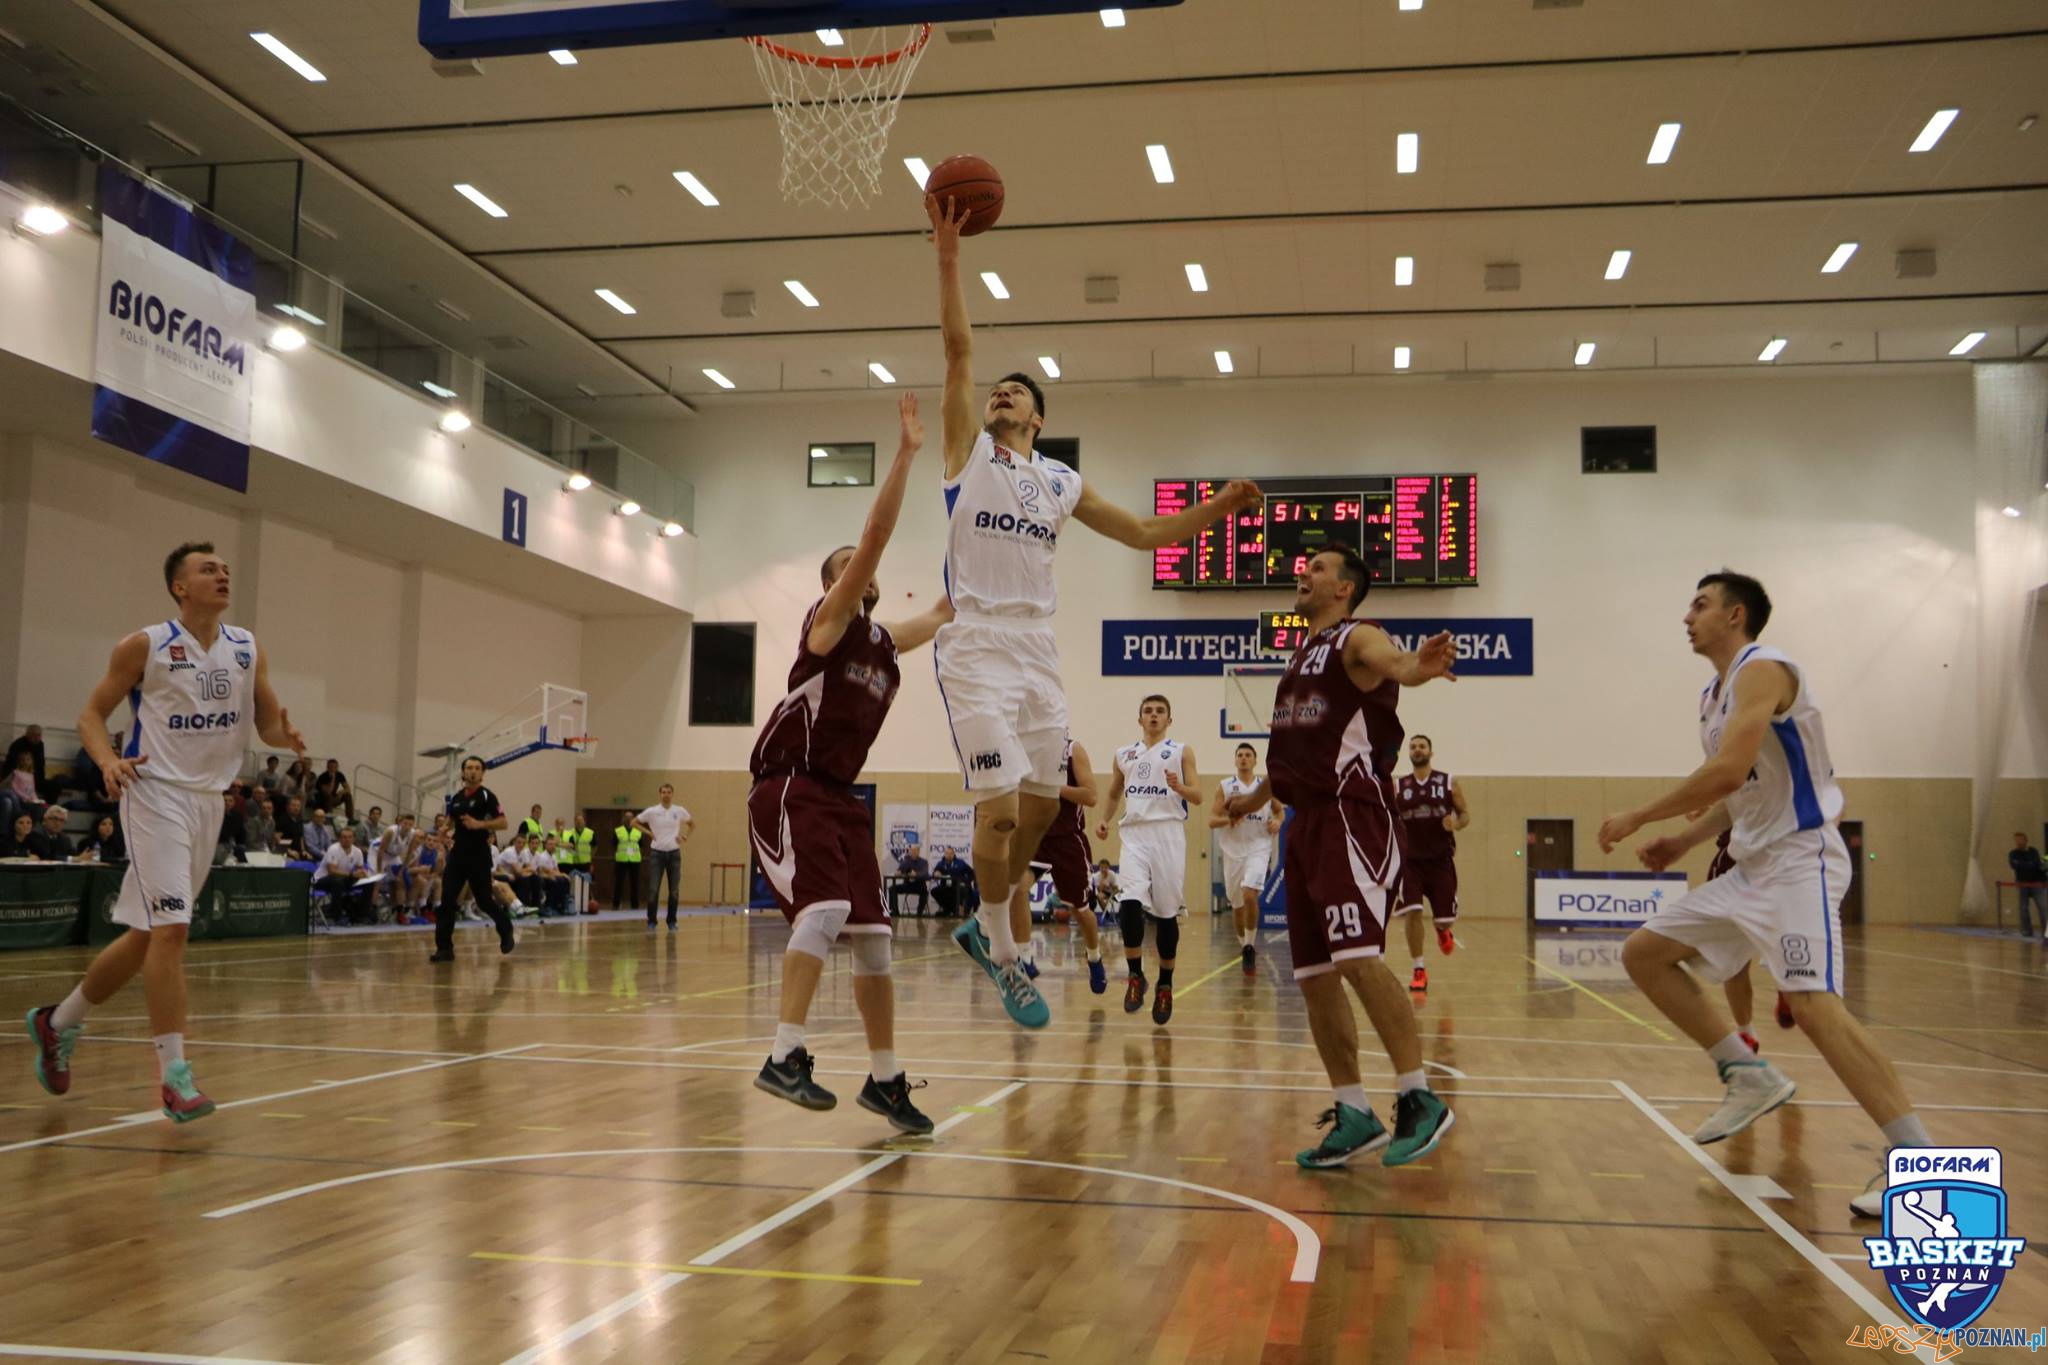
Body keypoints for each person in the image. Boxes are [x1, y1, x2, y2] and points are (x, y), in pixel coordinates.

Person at [926, 193, 1259, 1031]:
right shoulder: (967, 456)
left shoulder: (1062, 482)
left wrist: (1216, 509)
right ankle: (1006, 953)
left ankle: (982, 920)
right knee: (998, 808)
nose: (999, 396)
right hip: (977, 644)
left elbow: (1147, 533)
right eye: (995, 391)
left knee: (1041, 808)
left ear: (1038, 418)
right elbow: (958, 348)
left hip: (1037, 650)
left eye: (1014, 394)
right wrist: (947, 255)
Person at [1597, 570, 1933, 1219]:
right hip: (1754, 867)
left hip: (1801, 858)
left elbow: (1725, 769)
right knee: (1645, 953)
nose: (1687, 616)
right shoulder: (1712, 696)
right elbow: (1738, 791)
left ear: (1735, 614)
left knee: (1813, 1006)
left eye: (1699, 604)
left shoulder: (1765, 668)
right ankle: (1747, 1072)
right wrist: (1685, 841)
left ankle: (1919, 1166)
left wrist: (1643, 816)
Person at [25, 540, 305, 1122]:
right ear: (180, 587)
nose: (223, 575)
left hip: (208, 803)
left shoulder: (247, 647)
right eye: (209, 569)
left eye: (226, 568)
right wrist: (106, 760)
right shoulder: (146, 645)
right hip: (153, 794)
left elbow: (268, 723)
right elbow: (90, 715)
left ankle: (56, 1024)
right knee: (174, 930)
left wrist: (287, 739)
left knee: (146, 940)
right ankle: (175, 1077)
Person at [748, 392, 950, 1134]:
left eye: (855, 569)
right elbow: (876, 532)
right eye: (840, 567)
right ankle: (784, 1053)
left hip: (840, 798)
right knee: (827, 911)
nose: (853, 570)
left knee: (875, 938)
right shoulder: (826, 628)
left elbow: (942, 612)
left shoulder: (884, 645)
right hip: (788, 787)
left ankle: (886, 1080)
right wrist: (905, 455)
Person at [1225, 546, 1458, 1169]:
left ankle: (1419, 1096)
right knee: (1314, 978)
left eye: (1318, 568)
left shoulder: (1359, 637)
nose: (1304, 572)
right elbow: (1292, 754)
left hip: (1351, 815)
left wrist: (1417, 667)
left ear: (1345, 589)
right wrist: (1250, 798)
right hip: (1304, 824)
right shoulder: (1299, 658)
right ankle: (1353, 1112)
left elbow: (1395, 664)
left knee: (1357, 958)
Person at [1097, 695, 1200, 1024]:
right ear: (1139, 719)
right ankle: (1135, 975)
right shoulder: (1124, 754)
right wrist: (1104, 819)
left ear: (1169, 719)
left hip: (1168, 834)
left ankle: (1165, 985)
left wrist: (1180, 788)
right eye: (1148, 711)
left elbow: (1197, 795)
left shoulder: (1182, 750)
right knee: (1129, 903)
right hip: (1135, 835)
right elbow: (1114, 792)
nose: (1153, 716)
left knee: (1167, 914)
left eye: (1160, 712)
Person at [1017, 737, 1106, 993]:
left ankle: (1094, 957)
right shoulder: (1022, 748)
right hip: (1035, 836)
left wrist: (1054, 788)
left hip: (1068, 841)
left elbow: (1090, 796)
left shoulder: (1072, 749)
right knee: (1018, 888)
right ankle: (1025, 958)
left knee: (1080, 910)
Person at [1393, 735, 1468, 991]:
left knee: (1444, 919)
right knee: (1412, 913)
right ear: (1409, 753)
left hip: (1440, 861)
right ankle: (1419, 969)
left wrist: (1455, 823)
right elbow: (1388, 818)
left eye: (1422, 746)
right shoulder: (1398, 785)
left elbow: (1465, 814)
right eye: (1413, 747)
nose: (1417, 750)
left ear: (1431, 753)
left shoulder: (1448, 783)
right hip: (1410, 863)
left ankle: (1443, 930)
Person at [432, 755, 517, 962]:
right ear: (463, 772)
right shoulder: (457, 797)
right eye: (469, 768)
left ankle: (506, 930)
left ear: (482, 773)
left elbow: (503, 823)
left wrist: (479, 825)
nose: (473, 771)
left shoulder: (488, 797)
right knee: (447, 901)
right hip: (458, 855)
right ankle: (445, 948)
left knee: (485, 901)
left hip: (479, 856)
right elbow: (452, 819)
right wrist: (444, 830)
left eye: (477, 768)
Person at [1211, 741, 1281, 977]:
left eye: (1247, 755)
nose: (1243, 758)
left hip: (1259, 847)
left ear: (1255, 760)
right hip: (1232, 851)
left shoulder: (1264, 786)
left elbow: (1279, 810)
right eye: (1239, 755)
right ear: (1235, 760)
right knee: (1237, 906)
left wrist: (1277, 822)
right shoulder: (1225, 786)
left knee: (1250, 893)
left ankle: (1250, 945)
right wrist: (1229, 821)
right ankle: (1244, 946)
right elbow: (1212, 820)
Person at [635, 784, 694, 929]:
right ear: (660, 794)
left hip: (674, 854)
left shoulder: (679, 811)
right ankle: (651, 921)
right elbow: (634, 822)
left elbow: (692, 824)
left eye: (668, 792)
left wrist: (685, 836)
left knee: (674, 890)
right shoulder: (652, 811)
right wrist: (648, 833)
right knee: (653, 889)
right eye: (663, 792)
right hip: (657, 854)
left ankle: (672, 921)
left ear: (672, 794)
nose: (666, 794)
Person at [316, 825, 375, 924]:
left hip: (344, 878)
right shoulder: (333, 849)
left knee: (368, 883)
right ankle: (337, 917)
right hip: (323, 879)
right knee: (337, 882)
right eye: (344, 837)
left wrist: (363, 873)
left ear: (354, 838)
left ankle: (362, 914)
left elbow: (360, 869)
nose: (347, 839)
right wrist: (352, 874)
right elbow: (332, 871)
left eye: (350, 837)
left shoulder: (357, 851)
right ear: (339, 839)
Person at [2010, 833, 2046, 939]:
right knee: (2023, 908)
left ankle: (2046, 931)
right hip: (2022, 884)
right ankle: (2027, 931)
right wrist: (2028, 865)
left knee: (2043, 908)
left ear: (2026, 840)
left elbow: (2037, 864)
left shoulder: (2033, 851)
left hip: (2037, 883)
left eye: (2020, 840)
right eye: (2016, 840)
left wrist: (2024, 865)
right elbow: (2014, 865)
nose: (2018, 843)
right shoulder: (2013, 853)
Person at [6, 725, 53, 802]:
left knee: (54, 786)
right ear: (27, 734)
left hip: (34, 776)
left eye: (39, 735)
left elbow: (41, 763)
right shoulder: (18, 745)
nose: (37, 737)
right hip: (19, 776)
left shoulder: (40, 745)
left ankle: (48, 806)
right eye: (34, 735)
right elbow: (12, 765)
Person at [565, 812, 596, 913]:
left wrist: (591, 857)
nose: (579, 822)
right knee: (573, 885)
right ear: (574, 822)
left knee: (586, 884)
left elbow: (595, 846)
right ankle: (574, 906)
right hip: (573, 862)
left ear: (584, 821)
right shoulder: (570, 833)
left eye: (581, 820)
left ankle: (586, 905)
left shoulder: (590, 833)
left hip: (585, 862)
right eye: (577, 821)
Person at [932, 846, 977, 917]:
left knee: (962, 891)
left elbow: (971, 873)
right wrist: (936, 873)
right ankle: (950, 909)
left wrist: (967, 882)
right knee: (934, 891)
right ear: (944, 854)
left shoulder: (960, 863)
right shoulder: (941, 863)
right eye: (947, 853)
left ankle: (955, 910)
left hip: (958, 886)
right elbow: (936, 872)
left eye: (951, 853)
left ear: (954, 854)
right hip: (946, 886)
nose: (949, 855)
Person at [533, 835, 572, 916]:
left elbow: (556, 869)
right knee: (556, 880)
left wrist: (562, 874)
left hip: (553, 876)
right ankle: (550, 906)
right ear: (545, 846)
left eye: (554, 844)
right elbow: (544, 871)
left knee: (565, 880)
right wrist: (560, 875)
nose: (553, 846)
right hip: (544, 877)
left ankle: (563, 905)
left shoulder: (554, 856)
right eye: (550, 844)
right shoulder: (543, 856)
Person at [612, 811, 643, 913]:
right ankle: (616, 904)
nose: (629, 819)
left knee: (635, 883)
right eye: (627, 817)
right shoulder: (617, 831)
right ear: (623, 819)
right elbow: (613, 844)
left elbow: (642, 844)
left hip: (635, 860)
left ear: (634, 818)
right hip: (621, 860)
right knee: (618, 883)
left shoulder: (638, 831)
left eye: (631, 817)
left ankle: (635, 905)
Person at [894, 840, 930, 916]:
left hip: (919, 886)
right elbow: (899, 870)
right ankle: (895, 912)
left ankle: (919, 913)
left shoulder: (923, 862)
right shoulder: (905, 861)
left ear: (918, 851)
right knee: (892, 889)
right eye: (912, 850)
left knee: (924, 892)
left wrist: (916, 874)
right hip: (907, 885)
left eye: (915, 850)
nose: (913, 852)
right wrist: (898, 872)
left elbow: (925, 874)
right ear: (909, 851)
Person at [275, 794, 308, 860]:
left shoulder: (299, 821)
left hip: (298, 852)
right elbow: (276, 838)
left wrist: (304, 851)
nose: (296, 808)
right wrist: (288, 851)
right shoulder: (282, 820)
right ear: (287, 807)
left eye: (298, 806)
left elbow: (300, 838)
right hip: (286, 853)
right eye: (293, 805)